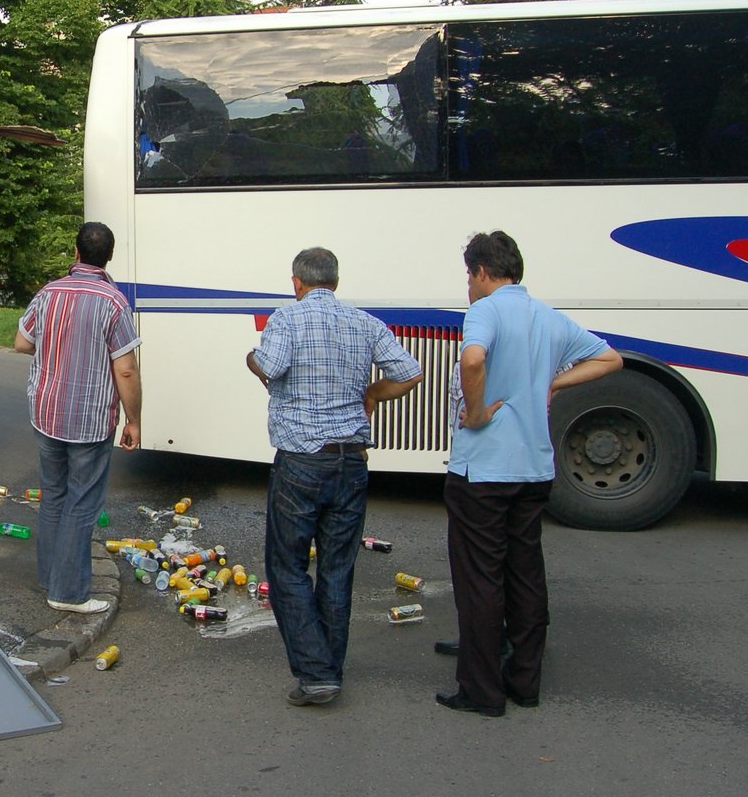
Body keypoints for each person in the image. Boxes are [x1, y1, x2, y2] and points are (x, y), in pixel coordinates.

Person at [438, 230, 622, 718]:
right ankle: (525, 681)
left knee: (480, 579)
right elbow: (610, 359)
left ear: (480, 271)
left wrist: (475, 412)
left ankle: (481, 691)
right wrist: (550, 382)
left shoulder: (485, 310)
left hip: (483, 468)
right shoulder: (548, 315)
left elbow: (473, 358)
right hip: (535, 466)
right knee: (525, 573)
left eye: (469, 276)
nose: (469, 287)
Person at [245, 247, 424, 707]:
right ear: (336, 282)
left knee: (286, 567)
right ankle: (329, 668)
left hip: (302, 461)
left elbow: (271, 366)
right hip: (351, 462)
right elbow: (410, 372)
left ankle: (316, 672)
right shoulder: (364, 323)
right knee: (337, 569)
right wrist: (370, 393)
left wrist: (251, 356)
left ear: (296, 282)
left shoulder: (287, 319)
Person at [13, 222, 141, 615]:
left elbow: (22, 343)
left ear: (76, 251)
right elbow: (126, 371)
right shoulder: (114, 302)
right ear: (110, 256)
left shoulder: (48, 293)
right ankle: (69, 593)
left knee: (54, 496)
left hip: (47, 413)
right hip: (89, 419)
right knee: (82, 504)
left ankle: (51, 577)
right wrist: (133, 421)